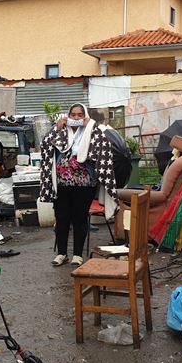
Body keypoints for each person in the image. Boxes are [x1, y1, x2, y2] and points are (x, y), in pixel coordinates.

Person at [39, 103, 118, 267]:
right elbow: (45, 145)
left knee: (79, 219)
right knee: (61, 219)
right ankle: (61, 254)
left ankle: (77, 254)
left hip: (84, 184)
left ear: (85, 116)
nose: (76, 118)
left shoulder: (92, 131)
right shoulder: (61, 132)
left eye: (79, 115)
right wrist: (57, 127)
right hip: (61, 184)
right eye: (73, 115)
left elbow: (104, 147)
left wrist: (92, 125)